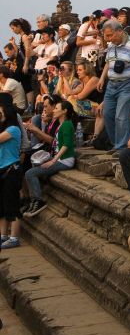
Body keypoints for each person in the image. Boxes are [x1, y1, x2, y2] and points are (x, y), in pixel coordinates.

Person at [98, 19, 130, 150]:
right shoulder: (111, 45)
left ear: (120, 31)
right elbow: (108, 62)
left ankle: (121, 147)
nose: (108, 38)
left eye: (110, 35)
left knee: (121, 116)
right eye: (106, 36)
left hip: (128, 84)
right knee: (107, 114)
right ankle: (116, 143)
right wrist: (102, 78)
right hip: (111, 84)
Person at [22, 99, 77, 217]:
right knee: (35, 165)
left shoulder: (67, 125)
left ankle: (38, 200)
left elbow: (66, 145)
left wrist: (53, 160)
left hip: (65, 161)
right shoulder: (62, 124)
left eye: (57, 108)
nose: (54, 111)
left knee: (30, 173)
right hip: (60, 158)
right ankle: (33, 200)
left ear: (64, 111)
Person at [0, 103, 24, 249]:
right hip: (2, 170)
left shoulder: (14, 130)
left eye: (1, 113)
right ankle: (3, 235)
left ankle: (14, 237)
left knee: (12, 204)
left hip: (12, 170)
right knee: (2, 206)